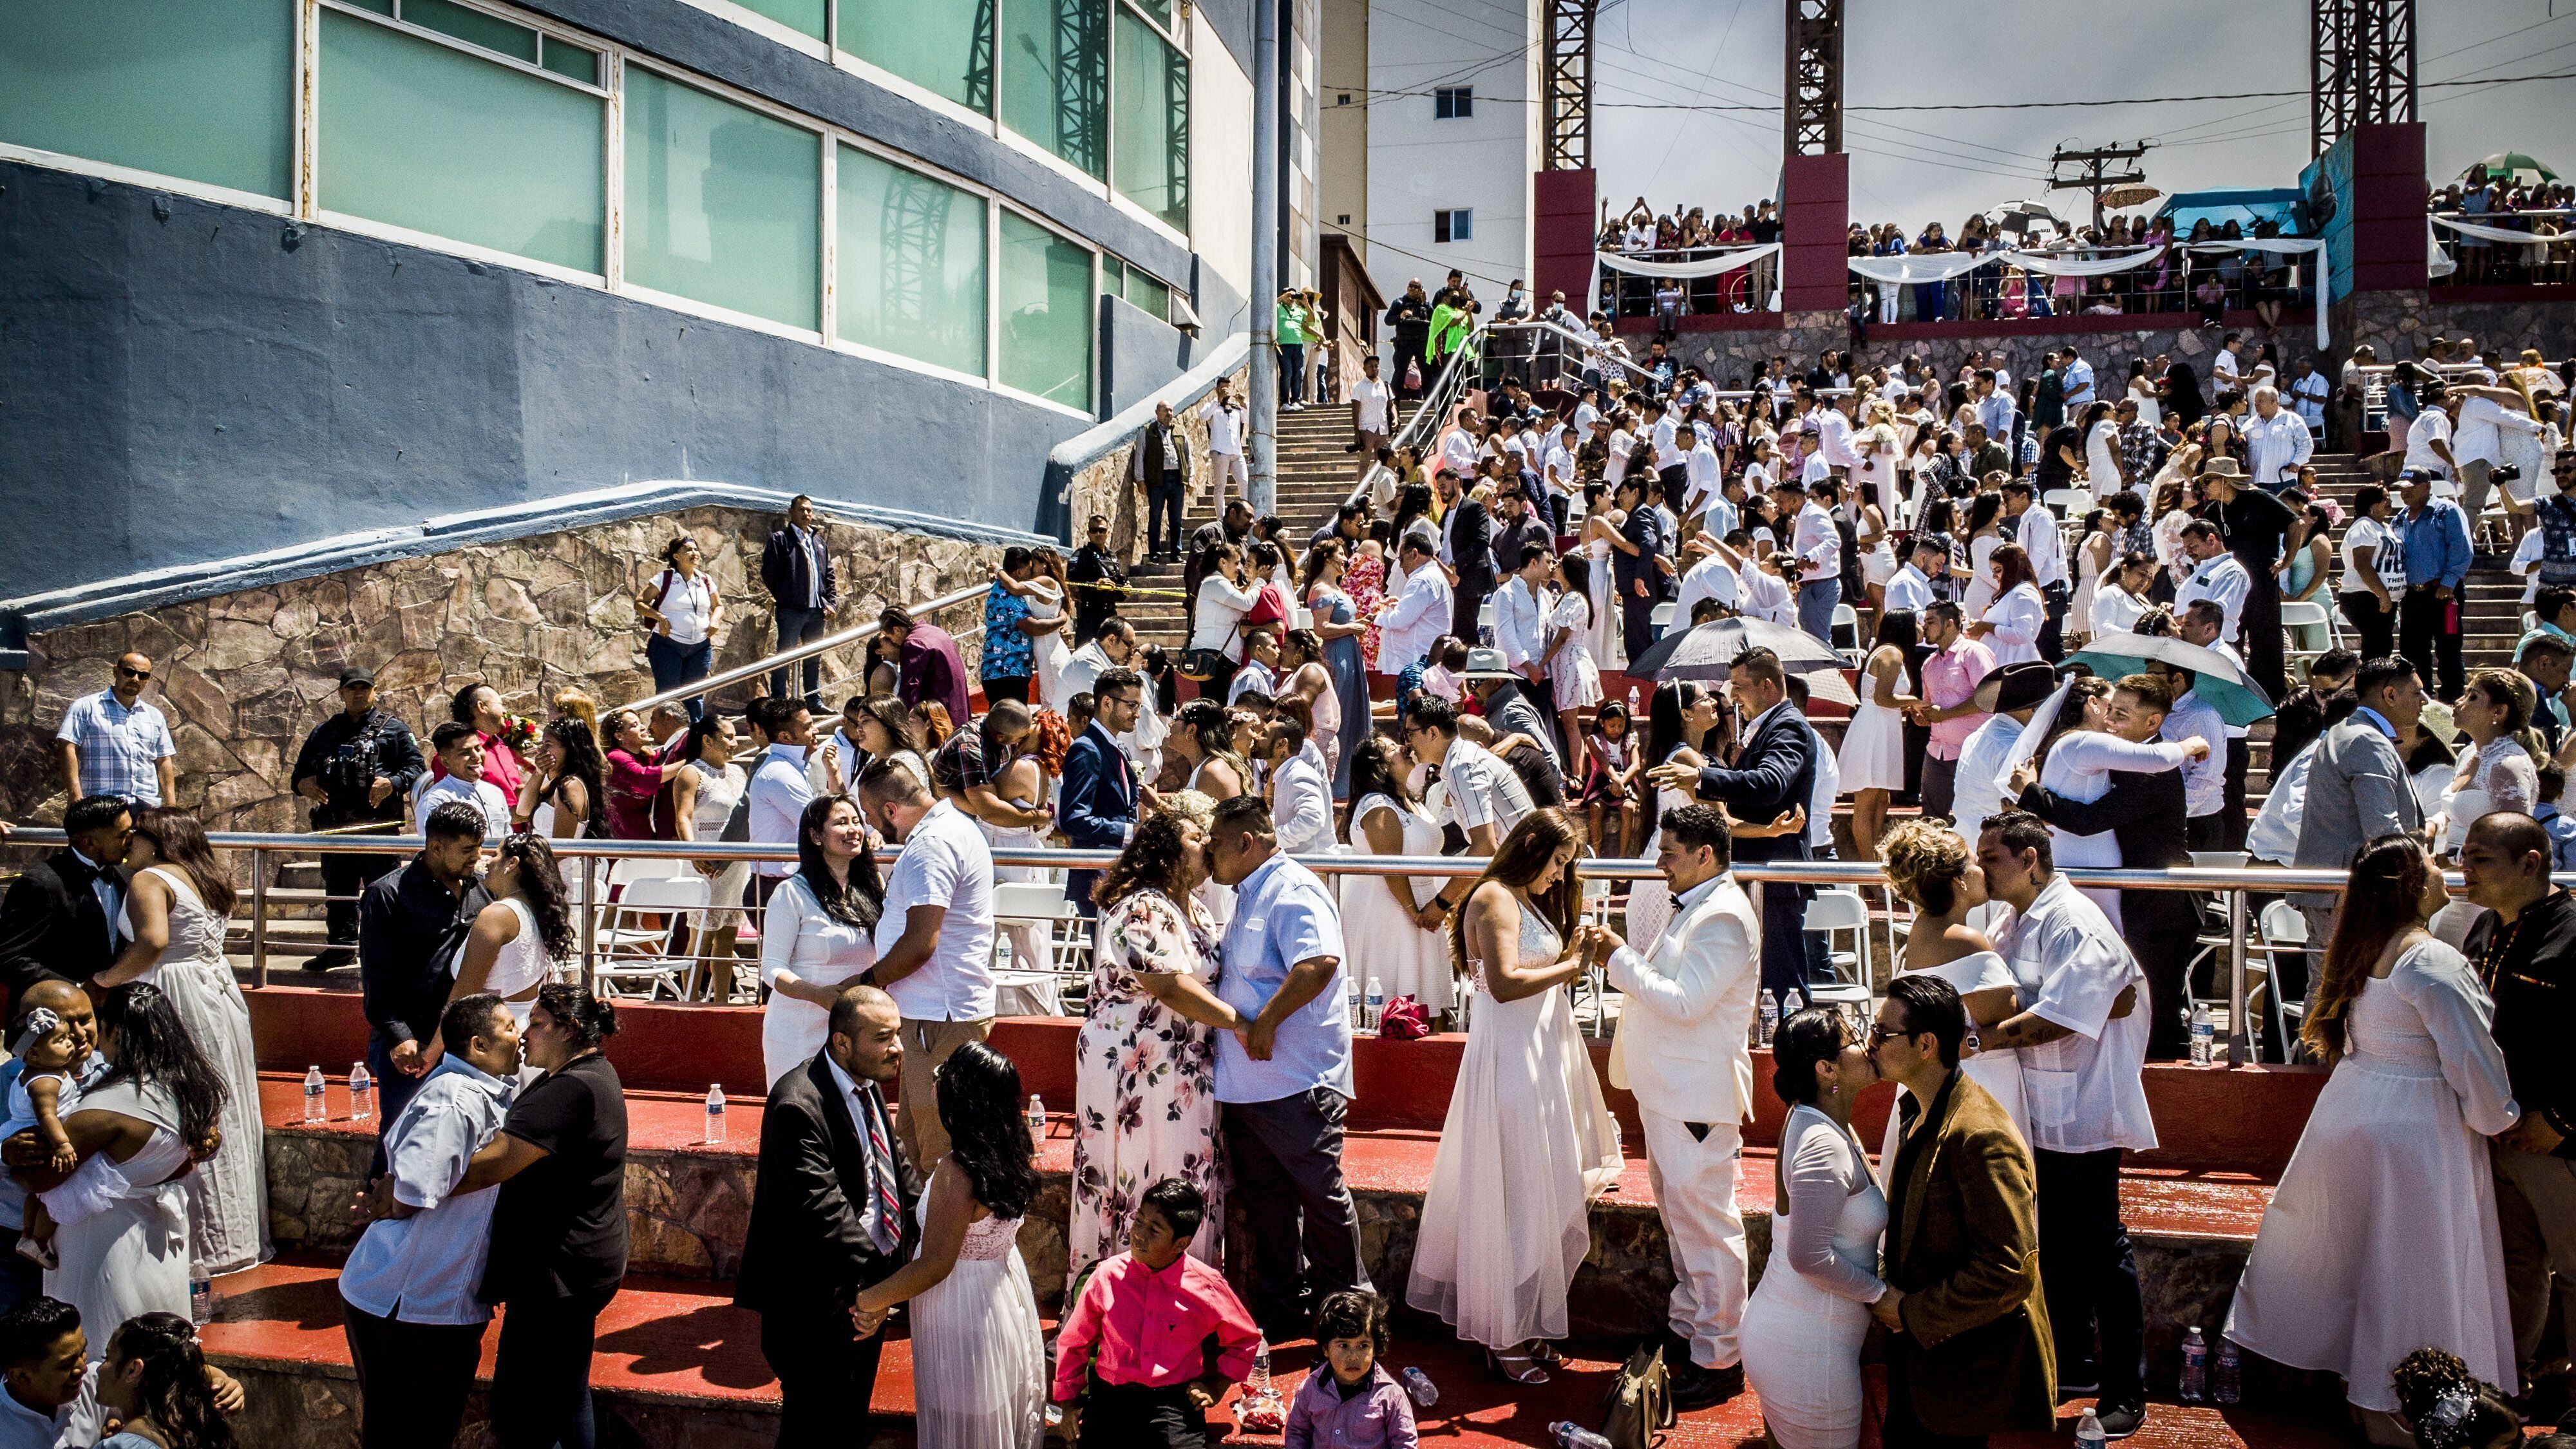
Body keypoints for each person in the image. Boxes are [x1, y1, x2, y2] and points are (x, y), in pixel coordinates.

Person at [2226, 833, 2517, 1436]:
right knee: (2414, 1269)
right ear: (2410, 884)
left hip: (2357, 1113)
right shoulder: (2433, 961)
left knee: (2367, 1263)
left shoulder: (2365, 949)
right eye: (2432, 864)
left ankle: (2368, 1398)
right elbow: (2472, 1061)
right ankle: (2407, 1407)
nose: (2444, 872)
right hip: (2416, 1131)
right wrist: (2502, 1120)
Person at [1408, 811, 1621, 1383]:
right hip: (1509, 1060)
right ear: (1530, 847)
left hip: (1538, 1056)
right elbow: (1500, 985)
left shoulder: (1523, 900)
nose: (1560, 875)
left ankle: (1523, 1321)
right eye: (1557, 862)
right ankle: (1499, 1330)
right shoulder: (1494, 898)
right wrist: (1573, 966)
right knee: (1510, 1191)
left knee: (1538, 1188)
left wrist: (1571, 947)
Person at [1975, 811, 2155, 1438]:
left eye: (1991, 859)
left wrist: (1974, 1040)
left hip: (2080, 1111)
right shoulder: (2013, 918)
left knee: (2102, 1251)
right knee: (2052, 1245)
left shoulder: (2073, 921)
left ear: (2029, 858)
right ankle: (2072, 1363)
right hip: (2040, 1110)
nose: (1981, 870)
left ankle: (2125, 1391)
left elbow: (2062, 1015)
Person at [1578, 804, 1758, 1410]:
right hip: (1671, 1093)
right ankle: (1690, 1330)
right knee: (1684, 1226)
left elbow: (1685, 1002)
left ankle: (1721, 1355)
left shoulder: (1726, 917)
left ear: (1705, 854)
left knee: (1708, 1227)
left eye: (1670, 854)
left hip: (1696, 1098)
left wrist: (1616, 958)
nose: (1660, 866)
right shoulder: (1700, 907)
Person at [1866, 974, 2056, 1448]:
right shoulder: (1921, 1110)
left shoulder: (1979, 1136)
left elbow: (2009, 1270)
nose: (1870, 1043)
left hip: (1960, 1376)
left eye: (1882, 1034)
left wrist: (1909, 1312)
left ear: (1926, 1044)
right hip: (1926, 1367)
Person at [1206, 795, 1370, 1340]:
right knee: (1269, 1206)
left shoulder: (1291, 890)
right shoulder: (1251, 893)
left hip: (1295, 1082)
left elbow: (1318, 964)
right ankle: (1285, 1309)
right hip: (1250, 1087)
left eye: (1215, 844)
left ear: (1245, 843)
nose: (1209, 854)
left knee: (1321, 1201)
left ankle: (1346, 1315)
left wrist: (1267, 1022)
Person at [1068, 806, 1243, 1281]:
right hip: (1133, 1069)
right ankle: (1117, 1307)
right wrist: (1243, 1025)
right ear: (1163, 850)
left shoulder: (1199, 910)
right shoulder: (1142, 906)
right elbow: (1166, 984)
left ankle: (1181, 1305)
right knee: (1133, 1177)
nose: (1207, 842)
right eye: (1194, 835)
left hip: (1182, 1068)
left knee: (1184, 1174)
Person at [339, 994, 521, 1449]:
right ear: (478, 1045)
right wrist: (391, 1199)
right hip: (408, 1304)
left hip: (431, 1302)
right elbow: (417, 1187)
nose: (520, 1035)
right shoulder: (455, 1100)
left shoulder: (480, 1089)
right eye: (509, 1028)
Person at [737, 983, 916, 1445]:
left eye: (897, 1034)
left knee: (847, 1424)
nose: (896, 1047)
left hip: (866, 1295)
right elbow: (823, 1209)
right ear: (842, 1041)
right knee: (812, 1428)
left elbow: (896, 1173)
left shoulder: (867, 1085)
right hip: (815, 1305)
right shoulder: (797, 1102)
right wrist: (882, 1285)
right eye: (883, 1037)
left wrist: (932, 1225)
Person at [90, 810, 265, 1278]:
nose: (130, 845)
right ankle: (236, 1234)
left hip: (173, 991)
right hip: (218, 990)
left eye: (137, 836)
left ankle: (199, 1243)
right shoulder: (207, 875)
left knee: (176, 1096)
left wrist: (104, 981)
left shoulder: (149, 879)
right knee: (218, 1095)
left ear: (157, 839)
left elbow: (152, 941)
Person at [14, 984, 223, 1359]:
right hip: (161, 1245)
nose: (79, 1035)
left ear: (114, 1031)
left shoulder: (106, 1108)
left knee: (105, 1352)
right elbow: (197, 1147)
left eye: (91, 1021)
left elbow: (41, 1179)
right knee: (156, 1353)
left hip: (102, 1249)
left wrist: (14, 1162)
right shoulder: (187, 1087)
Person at [464, 985, 629, 1449]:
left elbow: (490, 1166)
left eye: (536, 1023)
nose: (524, 1035)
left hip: (559, 1274)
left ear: (569, 1029)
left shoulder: (572, 1089)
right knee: (565, 1393)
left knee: (527, 1413)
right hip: (576, 1264)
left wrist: (409, 1186)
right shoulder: (585, 1074)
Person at [2005, 678, 2203, 1061]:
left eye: (2122, 716)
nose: (2110, 723)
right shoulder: (2119, 757)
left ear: (2152, 723)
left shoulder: (2152, 768)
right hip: (2136, 903)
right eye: (2110, 712)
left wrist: (2031, 792)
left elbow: (2087, 820)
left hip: (2158, 908)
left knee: (2155, 1022)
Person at [2455, 812, 2576, 1393]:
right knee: (2514, 1268)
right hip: (2498, 1135)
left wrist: (2560, 1120)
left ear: (2530, 863)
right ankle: (2509, 1387)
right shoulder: (2482, 931)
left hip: (2557, 1142)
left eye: (2480, 858)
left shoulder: (2573, 932)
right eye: (2464, 856)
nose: (2463, 869)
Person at [1739, 1009, 1888, 1449]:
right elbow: (1807, 1256)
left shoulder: (1818, 1118)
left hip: (1801, 1339)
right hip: (1805, 1353)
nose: (1869, 1046)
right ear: (1826, 1070)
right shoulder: (1822, 1144)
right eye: (1855, 1040)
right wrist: (1881, 1295)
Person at [1647, 649, 1819, 1010]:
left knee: (1781, 985)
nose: (1733, 697)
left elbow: (1771, 782)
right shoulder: (1771, 726)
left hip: (1774, 875)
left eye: (1740, 687)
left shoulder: (1788, 725)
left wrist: (1701, 776)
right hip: (1759, 873)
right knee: (1764, 985)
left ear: (1767, 685)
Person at [855, 761, 998, 1173]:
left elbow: (921, 944)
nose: (868, 824)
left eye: (868, 813)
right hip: (937, 1012)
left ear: (889, 810)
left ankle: (943, 1240)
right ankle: (921, 1238)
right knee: (917, 1149)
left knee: (941, 1158)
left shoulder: (932, 845)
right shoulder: (949, 829)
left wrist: (867, 984)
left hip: (939, 1016)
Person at [1053, 1179, 1262, 1449]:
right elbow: (1074, 1343)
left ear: (1180, 1243)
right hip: (1110, 1401)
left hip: (1173, 1406)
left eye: (1154, 1230)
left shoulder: (1207, 1286)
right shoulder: (1106, 1276)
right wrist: (1068, 1406)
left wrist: (1216, 1387)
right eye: (1139, 1221)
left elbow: (1245, 1340)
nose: (1139, 1234)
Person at [1879, 819, 2027, 1139]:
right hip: (1975, 1090)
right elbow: (2009, 1011)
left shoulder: (1921, 930)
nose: (1984, 872)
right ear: (1959, 879)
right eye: (1976, 864)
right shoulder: (1964, 940)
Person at [357, 802, 489, 1137]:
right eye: (467, 850)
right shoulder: (386, 894)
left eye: (479, 847)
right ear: (435, 847)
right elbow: (377, 978)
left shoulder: (482, 890)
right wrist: (399, 1037)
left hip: (468, 1043)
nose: (477, 857)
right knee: (403, 1141)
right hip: (413, 1044)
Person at [290, 668, 426, 971]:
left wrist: (392, 782)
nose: (359, 693)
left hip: (378, 828)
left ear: (375, 690)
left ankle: (383, 952)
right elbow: (298, 775)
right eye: (352, 688)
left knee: (382, 891)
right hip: (336, 827)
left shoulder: (395, 730)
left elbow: (418, 767)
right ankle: (340, 948)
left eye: (365, 688)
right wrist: (304, 786)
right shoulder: (324, 732)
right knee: (339, 892)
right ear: (341, 693)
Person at [2293, 657, 2430, 952]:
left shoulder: (2344, 732)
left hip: (2335, 892)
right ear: (2390, 696)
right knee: (2345, 989)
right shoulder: (2368, 740)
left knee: (2326, 988)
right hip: (2353, 896)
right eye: (2417, 692)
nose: (2425, 701)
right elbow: (2383, 832)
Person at [757, 795, 886, 1087]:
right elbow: (771, 968)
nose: (854, 829)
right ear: (815, 836)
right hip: (799, 1028)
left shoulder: (873, 888)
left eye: (857, 822)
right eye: (842, 822)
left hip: (856, 1030)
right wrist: (820, 995)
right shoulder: (791, 893)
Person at [1337, 737, 1450, 1022]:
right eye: (1392, 749)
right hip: (1390, 910)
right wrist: (1415, 913)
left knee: (1425, 999)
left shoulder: (1410, 800)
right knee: (1390, 994)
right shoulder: (1378, 806)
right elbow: (1391, 867)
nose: (1404, 748)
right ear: (1379, 767)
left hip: (1422, 905)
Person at [0, 796, 131, 1001]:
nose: (131, 840)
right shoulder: (41, 884)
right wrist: (77, 989)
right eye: (122, 835)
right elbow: (9, 956)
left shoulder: (124, 877)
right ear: (89, 843)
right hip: (56, 1014)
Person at [1280, 1290, 1418, 1449]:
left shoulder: (1391, 1395)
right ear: (1326, 1349)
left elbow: (1405, 1443)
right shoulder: (1311, 1388)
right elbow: (1297, 1432)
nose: (1353, 1356)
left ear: (1375, 1347)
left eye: (1363, 1345)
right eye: (1344, 1345)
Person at [1061, 668, 1146, 920]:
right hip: (1096, 880)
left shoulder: (1113, 746)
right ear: (1107, 703)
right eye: (1132, 705)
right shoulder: (1086, 749)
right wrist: (1130, 832)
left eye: (1139, 706)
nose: (1137, 714)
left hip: (1116, 875)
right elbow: (1073, 819)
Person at [88, 1314, 232, 1449]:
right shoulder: (197, 1432)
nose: (98, 1369)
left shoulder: (122, 1445)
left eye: (107, 1358)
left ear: (133, 1370)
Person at [54, 653, 175, 810]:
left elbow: (164, 760)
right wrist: (75, 794)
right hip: (101, 804)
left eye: (143, 675)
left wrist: (171, 805)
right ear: (116, 672)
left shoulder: (154, 716)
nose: (136, 679)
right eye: (130, 672)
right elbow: (67, 747)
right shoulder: (86, 707)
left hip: (146, 806)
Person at [1844, 609, 1918, 860]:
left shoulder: (1884, 650)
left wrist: (1908, 706)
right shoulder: (1892, 654)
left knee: (1881, 801)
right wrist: (1916, 702)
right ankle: (1869, 870)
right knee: (1866, 805)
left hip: (1882, 727)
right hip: (1875, 729)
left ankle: (1875, 861)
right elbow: (1882, 698)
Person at [2442, 668, 2541, 856]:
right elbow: (2454, 813)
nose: (2458, 701)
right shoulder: (2468, 753)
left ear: (2498, 711)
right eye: (2465, 693)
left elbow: (2514, 840)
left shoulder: (2509, 765)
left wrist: (2454, 859)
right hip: (2455, 875)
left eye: (2473, 697)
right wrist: (2432, 826)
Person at [1912, 602, 1995, 820]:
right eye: (1924, 622)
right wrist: (1924, 718)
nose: (1925, 627)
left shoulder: (1974, 653)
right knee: (1930, 820)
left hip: (1973, 752)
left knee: (1975, 818)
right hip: (1937, 751)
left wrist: (1944, 715)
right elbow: (1932, 709)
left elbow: (1990, 698)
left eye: (1930, 622)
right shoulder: (1928, 664)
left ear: (1949, 624)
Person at [2398, 469, 2474, 703]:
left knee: (2448, 649)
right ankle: (2423, 700)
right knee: (2413, 651)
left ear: (2426, 487)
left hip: (2443, 593)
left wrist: (2449, 582)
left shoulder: (2447, 511)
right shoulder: (2400, 517)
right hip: (2412, 595)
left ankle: (2453, 699)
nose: (2404, 494)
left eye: (2409, 488)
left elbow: (2463, 549)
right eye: (2402, 489)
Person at [762, 495, 838, 711]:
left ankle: (814, 702)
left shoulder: (819, 542)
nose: (806, 514)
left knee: (814, 657)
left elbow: (828, 575)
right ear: (791, 512)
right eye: (802, 510)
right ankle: (779, 702)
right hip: (791, 611)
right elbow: (769, 573)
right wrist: (787, 596)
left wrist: (831, 602)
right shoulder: (780, 539)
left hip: (817, 611)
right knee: (785, 655)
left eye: (809, 511)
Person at [635, 535, 724, 719]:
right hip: (668, 645)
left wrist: (714, 620)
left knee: (694, 695)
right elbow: (640, 603)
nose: (694, 553)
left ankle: (694, 738)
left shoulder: (705, 580)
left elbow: (719, 606)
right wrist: (659, 617)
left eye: (696, 550)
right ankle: (669, 738)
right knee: (669, 696)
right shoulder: (664, 578)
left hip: (700, 647)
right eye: (688, 550)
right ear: (676, 556)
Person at [411, 723, 511, 843]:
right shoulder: (436, 800)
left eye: (478, 748)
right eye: (465, 753)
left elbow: (507, 837)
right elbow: (432, 850)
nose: (476, 756)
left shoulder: (495, 793)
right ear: (445, 761)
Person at [882, 607, 972, 732]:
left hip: (940, 709)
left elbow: (910, 689)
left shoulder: (912, 644)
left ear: (897, 630)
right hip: (958, 703)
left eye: (889, 638)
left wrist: (899, 723)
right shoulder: (934, 630)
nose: (894, 643)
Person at [1133, 405, 1192, 562]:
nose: (1169, 414)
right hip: (1157, 479)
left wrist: (1190, 479)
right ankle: (1155, 553)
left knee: (1176, 519)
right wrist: (1140, 479)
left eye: (1171, 411)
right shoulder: (1147, 431)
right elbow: (1140, 456)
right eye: (1165, 411)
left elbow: (1188, 455)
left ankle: (1176, 553)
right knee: (1155, 517)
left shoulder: (1179, 431)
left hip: (1177, 479)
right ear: (1157, 413)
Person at [1201, 380, 1248, 514]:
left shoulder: (1236, 408)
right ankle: (1221, 518)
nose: (1225, 391)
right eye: (1222, 389)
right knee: (1220, 486)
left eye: (1228, 389)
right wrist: (1218, 399)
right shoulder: (1213, 406)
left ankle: (1245, 514)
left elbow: (1248, 419)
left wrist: (1243, 403)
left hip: (1236, 453)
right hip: (1220, 452)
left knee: (1244, 482)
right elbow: (1203, 416)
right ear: (1217, 389)